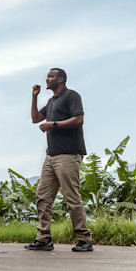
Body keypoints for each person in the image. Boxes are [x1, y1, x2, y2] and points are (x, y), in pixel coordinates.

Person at [26, 67, 93, 252]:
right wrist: (34, 97)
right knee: (42, 196)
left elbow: (78, 119)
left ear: (61, 79)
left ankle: (84, 239)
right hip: (51, 155)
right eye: (47, 76)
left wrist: (53, 124)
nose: (47, 79)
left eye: (51, 76)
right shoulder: (51, 101)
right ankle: (43, 239)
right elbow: (35, 118)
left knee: (71, 197)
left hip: (68, 154)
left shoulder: (71, 96)